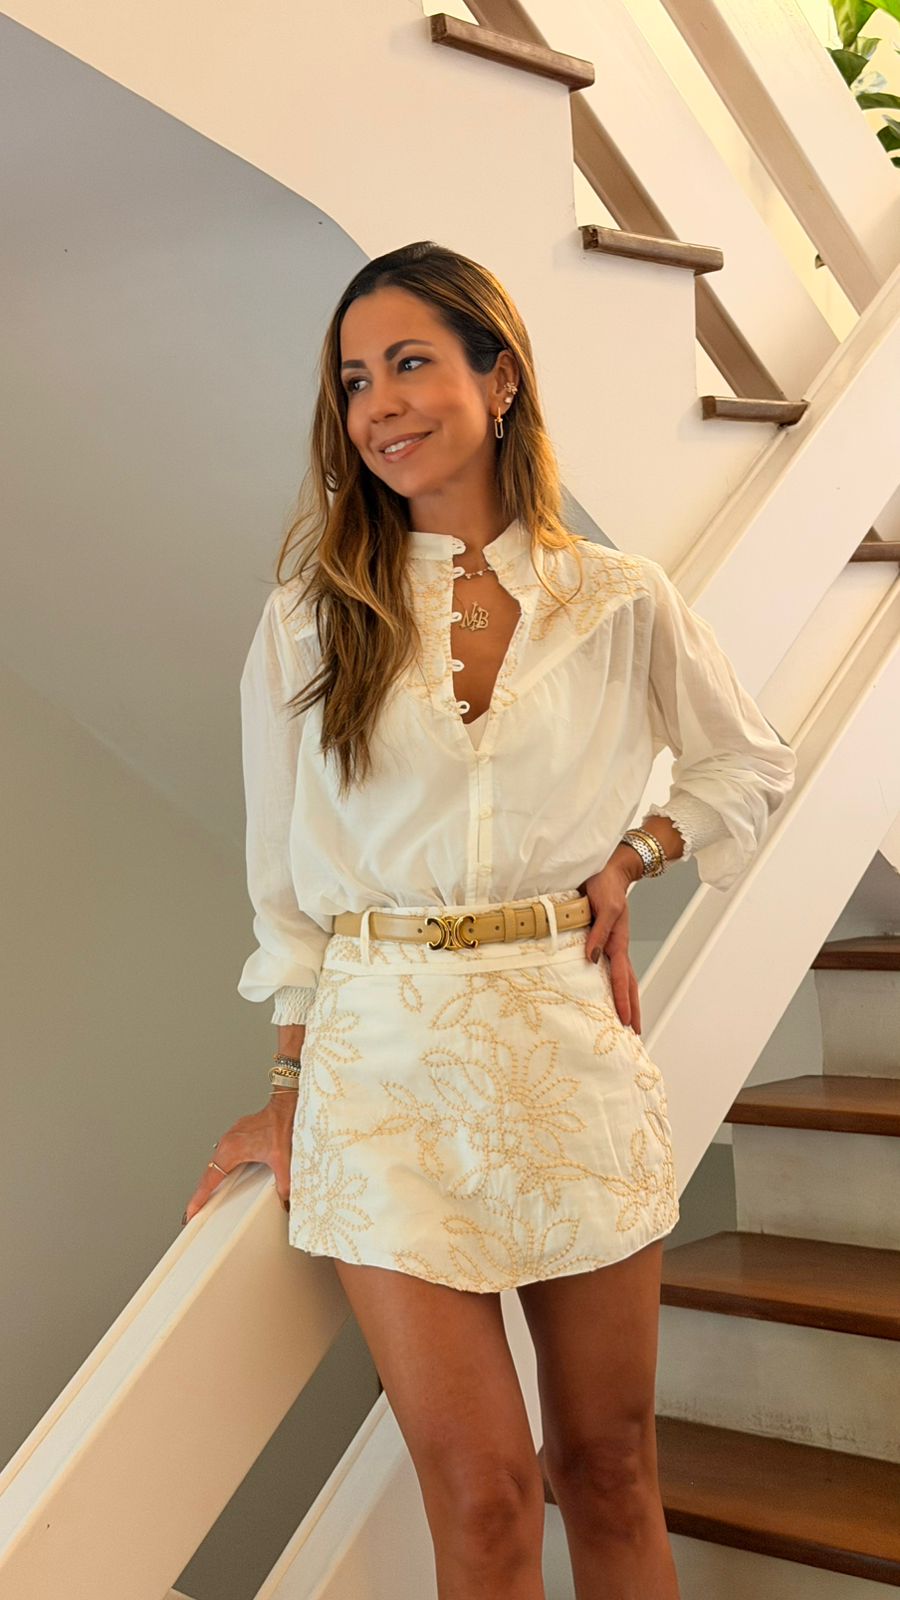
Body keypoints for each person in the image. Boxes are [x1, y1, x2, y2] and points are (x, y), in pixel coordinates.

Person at [182, 240, 797, 1598]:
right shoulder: (311, 618)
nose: (380, 405)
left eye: (411, 363)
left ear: (500, 377)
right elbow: (284, 883)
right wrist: (286, 1090)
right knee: (484, 1496)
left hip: (567, 1054)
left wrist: (635, 856)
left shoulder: (619, 600)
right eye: (355, 380)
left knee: (611, 1467)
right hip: (384, 1075)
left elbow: (748, 765)